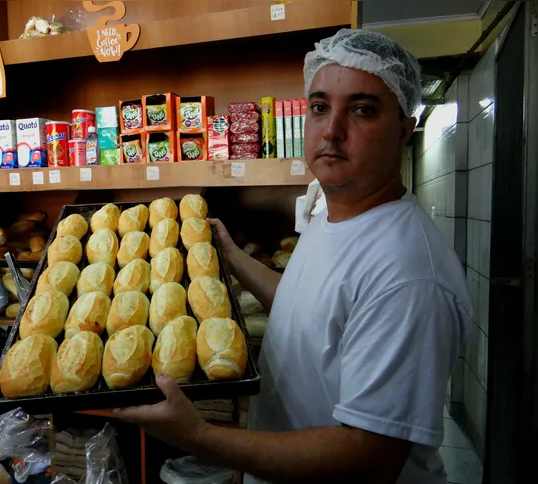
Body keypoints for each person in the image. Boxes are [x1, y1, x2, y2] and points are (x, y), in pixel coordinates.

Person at [115, 29, 474, 483]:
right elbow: (309, 311)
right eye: (320, 107)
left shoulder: (407, 275)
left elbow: (369, 456)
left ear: (405, 129)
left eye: (362, 110)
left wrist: (200, 436)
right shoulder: (333, 213)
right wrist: (230, 256)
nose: (332, 130)